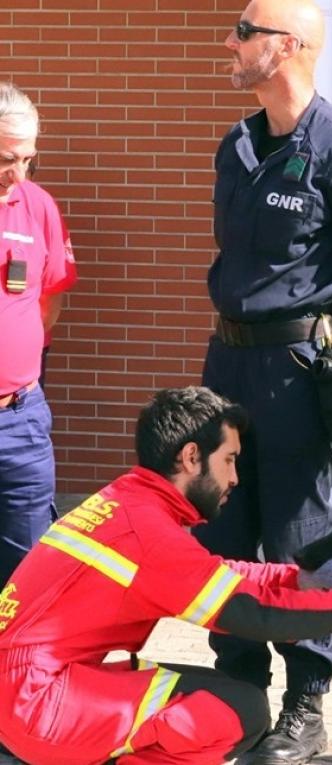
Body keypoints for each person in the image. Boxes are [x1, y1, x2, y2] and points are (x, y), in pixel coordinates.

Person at [196, 1, 332, 763]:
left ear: (285, 48)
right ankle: (237, 688)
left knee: (296, 535)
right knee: (220, 529)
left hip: (294, 370)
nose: (230, 41)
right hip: (226, 365)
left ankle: (306, 702)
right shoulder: (239, 144)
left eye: (244, 32)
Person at [0, 386, 332, 765]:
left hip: (26, 689)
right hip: (35, 705)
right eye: (229, 460)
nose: (235, 478)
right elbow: (254, 616)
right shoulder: (150, 535)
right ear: (192, 457)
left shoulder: (129, 502)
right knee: (239, 711)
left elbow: (217, 575)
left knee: (222, 692)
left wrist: (299, 579)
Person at [0, 81, 77, 588]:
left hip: (20, 420)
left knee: (30, 577)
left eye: (28, 159)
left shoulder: (38, 205)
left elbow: (50, 298)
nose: (18, 172)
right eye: (6, 158)